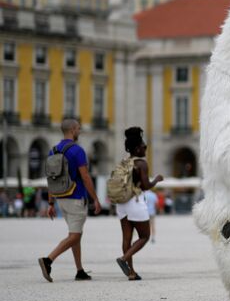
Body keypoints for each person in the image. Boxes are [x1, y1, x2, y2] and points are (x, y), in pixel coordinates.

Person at [38, 119, 102, 282]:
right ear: (73, 130)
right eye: (79, 129)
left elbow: (51, 178)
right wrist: (95, 198)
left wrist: (51, 203)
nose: (79, 131)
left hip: (60, 198)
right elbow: (86, 177)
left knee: (75, 234)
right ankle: (48, 260)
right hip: (76, 197)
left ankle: (79, 270)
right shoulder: (77, 150)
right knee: (74, 235)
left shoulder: (53, 150)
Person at [115, 127, 163, 280]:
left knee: (126, 238)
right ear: (137, 148)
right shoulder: (141, 163)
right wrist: (157, 179)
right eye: (144, 147)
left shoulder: (124, 162)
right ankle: (123, 259)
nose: (145, 149)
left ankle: (131, 273)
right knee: (144, 236)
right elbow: (145, 186)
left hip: (122, 203)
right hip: (135, 202)